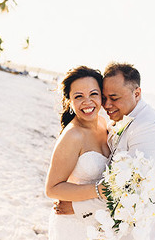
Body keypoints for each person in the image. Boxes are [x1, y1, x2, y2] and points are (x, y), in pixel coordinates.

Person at [52, 63, 155, 240]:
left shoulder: (150, 128)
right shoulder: (117, 120)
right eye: (104, 97)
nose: (107, 104)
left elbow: (130, 187)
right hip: (111, 227)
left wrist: (78, 207)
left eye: (114, 97)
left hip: (144, 231)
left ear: (137, 94)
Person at [45, 67, 110, 239]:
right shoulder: (73, 135)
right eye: (79, 96)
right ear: (69, 101)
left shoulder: (104, 123)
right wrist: (98, 190)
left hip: (96, 219)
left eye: (93, 94)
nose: (88, 102)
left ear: (101, 96)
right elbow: (52, 189)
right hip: (72, 225)